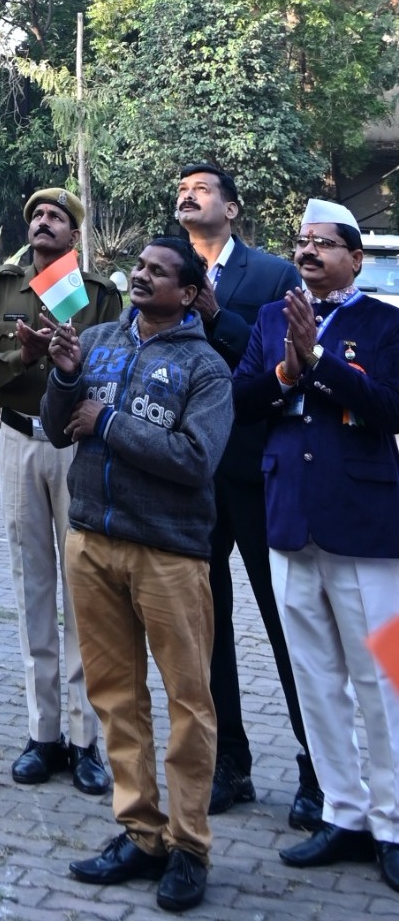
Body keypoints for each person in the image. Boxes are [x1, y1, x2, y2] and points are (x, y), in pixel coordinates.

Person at [42, 237, 233, 915]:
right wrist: (65, 375)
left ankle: (188, 846)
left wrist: (111, 420)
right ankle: (140, 832)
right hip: (90, 541)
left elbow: (194, 458)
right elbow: (57, 427)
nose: (140, 275)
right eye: (139, 267)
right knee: (115, 696)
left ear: (187, 293)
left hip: (170, 555)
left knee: (187, 705)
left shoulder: (205, 367)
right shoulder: (96, 339)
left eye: (157, 270)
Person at [231, 200, 399, 886]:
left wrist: (317, 361)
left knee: (382, 680)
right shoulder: (271, 319)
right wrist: (282, 370)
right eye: (300, 242)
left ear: (354, 257)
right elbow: (243, 398)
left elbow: (388, 407)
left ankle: (391, 823)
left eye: (322, 243)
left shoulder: (385, 323)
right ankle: (342, 813)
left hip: (364, 525)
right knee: (314, 681)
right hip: (288, 519)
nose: (306, 253)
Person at [172, 161, 317, 826]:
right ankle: (230, 762)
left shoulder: (272, 277)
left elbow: (278, 368)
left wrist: (214, 316)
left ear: (229, 209)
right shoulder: (164, 268)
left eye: (200, 189)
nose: (186, 195)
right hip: (192, 478)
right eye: (181, 189)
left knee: (286, 623)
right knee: (205, 630)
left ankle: (317, 769)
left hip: (257, 471)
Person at [0, 188, 119, 793]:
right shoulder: (3, 286)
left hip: (77, 445)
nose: (41, 223)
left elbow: (112, 366)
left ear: (74, 234)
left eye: (55, 217)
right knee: (32, 587)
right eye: (34, 215)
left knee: (83, 592)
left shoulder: (99, 295)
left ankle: (85, 742)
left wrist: (70, 365)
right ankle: (42, 735)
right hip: (18, 442)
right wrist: (21, 358)